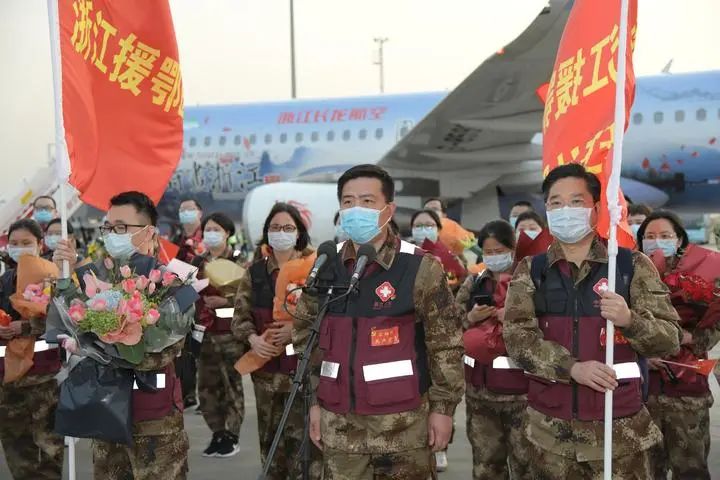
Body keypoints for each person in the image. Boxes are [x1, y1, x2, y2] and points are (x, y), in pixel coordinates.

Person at [503, 163, 682, 478]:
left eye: (576, 202)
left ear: (596, 209)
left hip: (621, 437)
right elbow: (517, 339)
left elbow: (670, 339)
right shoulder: (532, 270)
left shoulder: (629, 266)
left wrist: (630, 319)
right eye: (555, 203)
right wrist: (571, 368)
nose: (565, 210)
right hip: (549, 438)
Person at [294, 164, 465, 479]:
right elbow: (306, 339)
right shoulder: (325, 266)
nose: (356, 209)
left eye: (367, 201)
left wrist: (443, 411)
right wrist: (314, 404)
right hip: (339, 426)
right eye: (348, 202)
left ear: (389, 209)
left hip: (403, 427)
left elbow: (446, 345)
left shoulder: (419, 267)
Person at [52, 191, 190, 480]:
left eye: (121, 228)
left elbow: (160, 353)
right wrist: (65, 278)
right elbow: (74, 322)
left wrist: (111, 342)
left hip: (153, 419)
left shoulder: (172, 284)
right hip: (107, 413)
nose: (112, 234)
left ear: (148, 232)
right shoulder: (100, 280)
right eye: (109, 227)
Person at [232, 202, 321, 479]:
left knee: (306, 448)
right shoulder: (255, 272)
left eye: (287, 228)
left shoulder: (316, 269)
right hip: (267, 378)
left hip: (304, 375)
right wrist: (253, 339)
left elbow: (329, 317)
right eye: (274, 228)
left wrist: (295, 331)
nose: (280, 233)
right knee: (271, 447)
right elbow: (239, 318)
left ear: (299, 233)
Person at [638, 210, 719, 480]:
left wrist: (687, 338)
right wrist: (641, 356)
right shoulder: (628, 276)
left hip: (687, 391)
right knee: (648, 471)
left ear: (680, 239)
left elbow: (714, 325)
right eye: (649, 236)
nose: (656, 242)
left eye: (664, 236)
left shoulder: (701, 276)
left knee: (691, 470)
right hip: (642, 396)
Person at [455, 220, 530, 480]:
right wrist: (472, 318)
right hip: (480, 395)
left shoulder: (528, 281)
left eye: (500, 251)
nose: (494, 257)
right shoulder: (475, 282)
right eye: (489, 252)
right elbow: (450, 324)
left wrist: (513, 313)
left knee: (526, 465)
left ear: (512, 248)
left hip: (523, 397)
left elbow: (546, 324)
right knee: (486, 466)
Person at [0, 219, 64, 480]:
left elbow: (63, 319)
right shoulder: (5, 279)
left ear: (40, 244)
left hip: (41, 377)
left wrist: (25, 326)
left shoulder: (52, 276)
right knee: (16, 447)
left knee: (47, 449)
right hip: (8, 377)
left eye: (26, 243)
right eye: (14, 244)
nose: (19, 248)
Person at [192, 212, 246, 458]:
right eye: (207, 230)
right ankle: (217, 433)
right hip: (204, 334)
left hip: (230, 336)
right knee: (206, 387)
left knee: (231, 385)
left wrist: (225, 299)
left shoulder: (240, 261)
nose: (211, 234)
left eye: (216, 230)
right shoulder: (197, 263)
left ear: (227, 233)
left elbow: (249, 297)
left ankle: (231, 434)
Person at [411, 209, 467, 293]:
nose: (423, 230)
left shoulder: (447, 255)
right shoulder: (403, 251)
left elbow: (456, 280)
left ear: (438, 230)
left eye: (429, 225)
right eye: (418, 226)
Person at [173, 197, 204, 264]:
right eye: (182, 210)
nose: (186, 212)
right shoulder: (176, 238)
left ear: (200, 214)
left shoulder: (206, 235)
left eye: (190, 209)